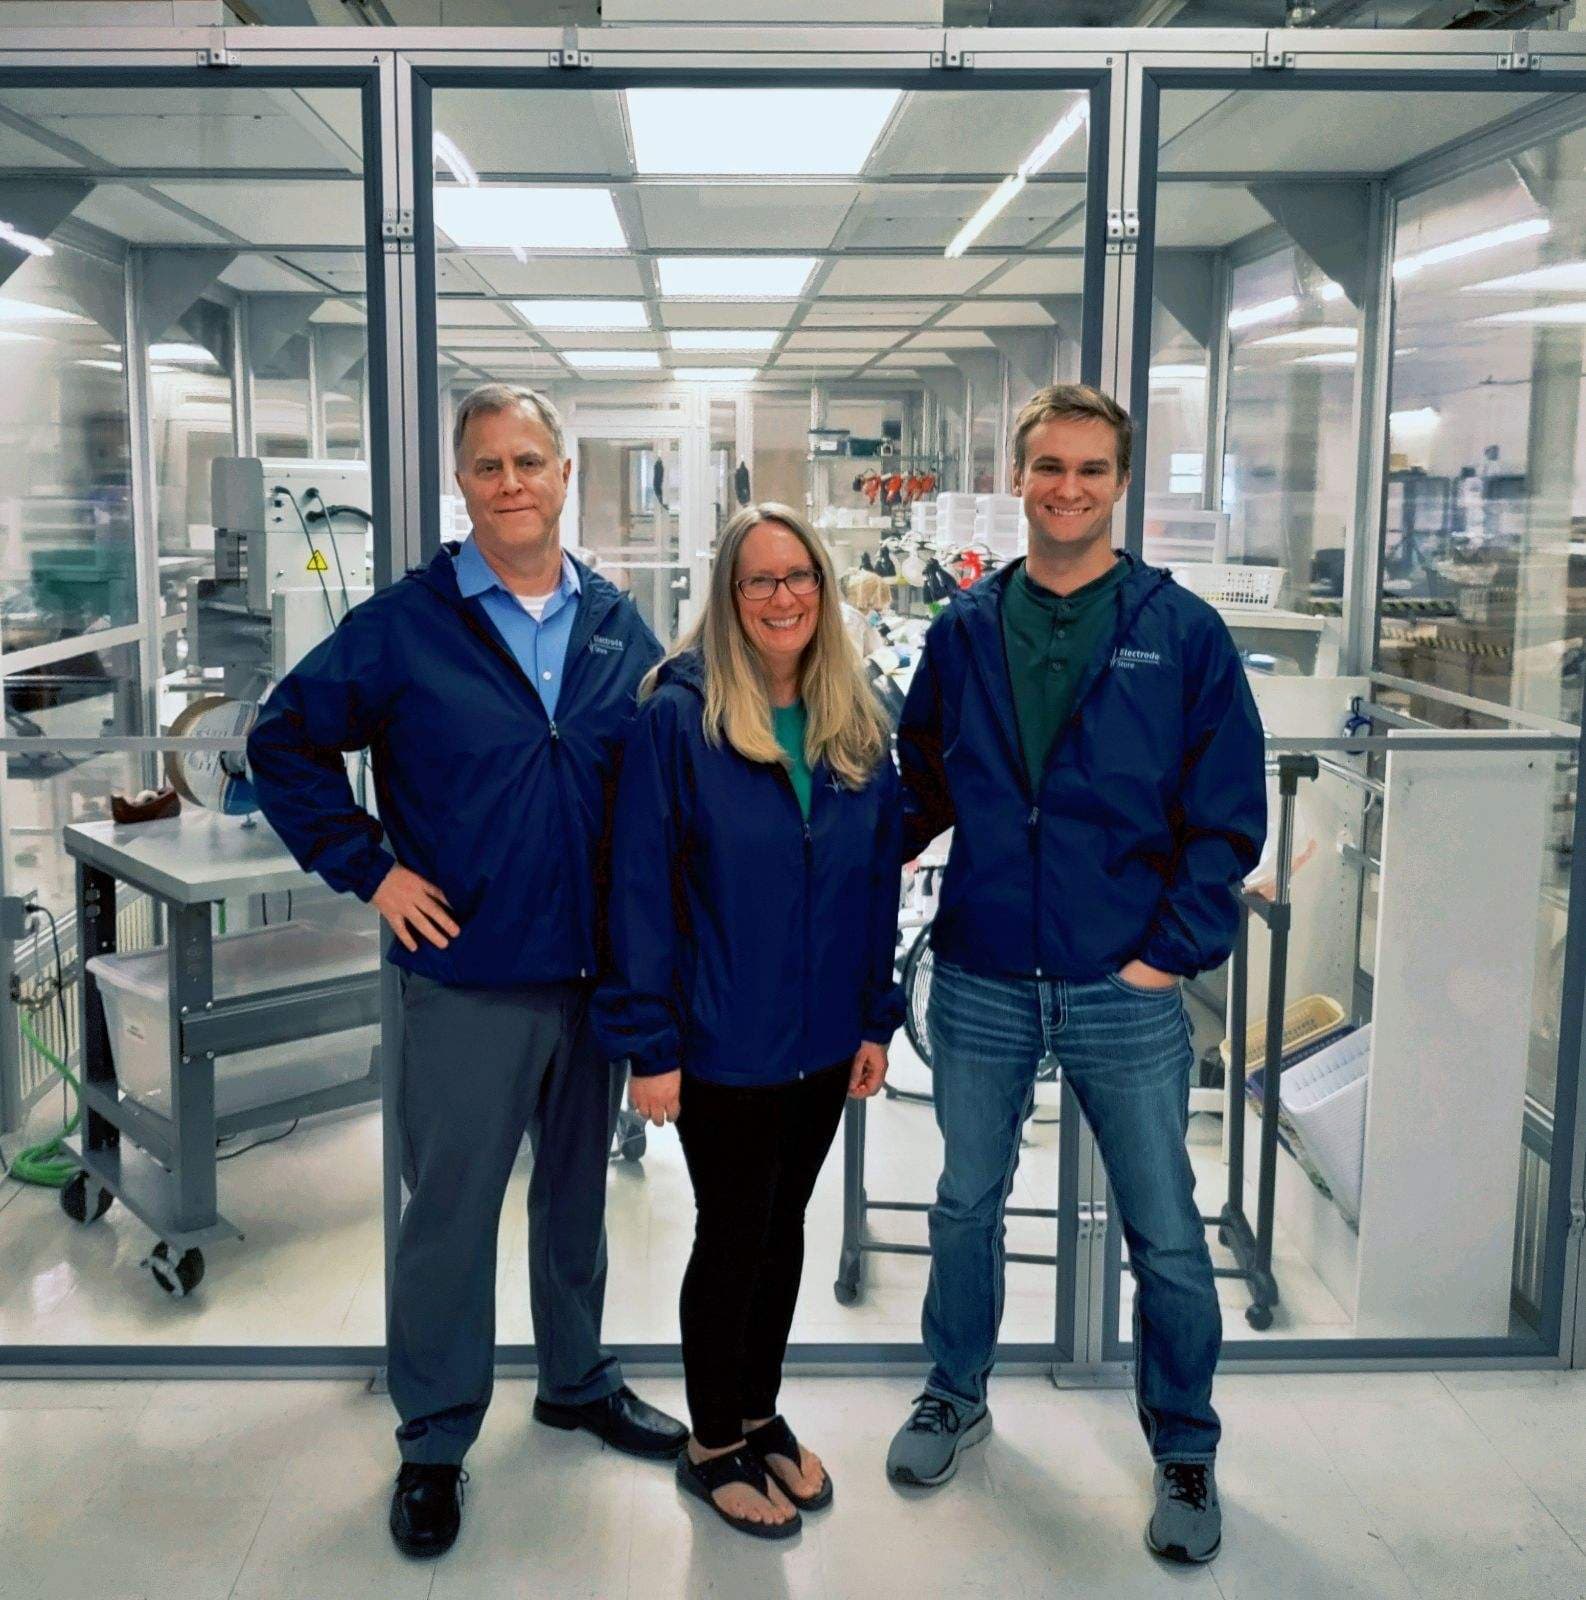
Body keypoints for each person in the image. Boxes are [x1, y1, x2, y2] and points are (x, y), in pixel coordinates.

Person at [247, 383, 687, 1562]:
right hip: (464, 977)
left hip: (590, 978)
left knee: (574, 1202)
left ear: (562, 475)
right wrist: (369, 869)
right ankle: (435, 1438)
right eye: (488, 465)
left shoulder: (612, 621)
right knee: (446, 1215)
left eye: (529, 462)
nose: (511, 483)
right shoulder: (405, 625)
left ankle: (576, 1378)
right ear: (463, 484)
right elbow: (282, 740)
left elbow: (657, 769)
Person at [886, 384, 1266, 1566]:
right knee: (963, 1203)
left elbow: (1226, 816)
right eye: (1047, 467)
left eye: (1090, 470)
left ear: (1118, 480)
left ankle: (1185, 1444)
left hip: (1123, 980)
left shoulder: (1179, 630)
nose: (1066, 489)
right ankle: (954, 1391)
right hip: (988, 966)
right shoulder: (962, 629)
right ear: (1016, 478)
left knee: (1162, 1227)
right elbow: (917, 785)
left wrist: (1166, 954)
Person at [595, 503, 903, 1541]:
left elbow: (873, 887)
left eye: (799, 577)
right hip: (722, 1034)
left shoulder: (853, 718)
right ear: (727, 600)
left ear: (823, 588)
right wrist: (651, 1042)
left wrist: (875, 1015)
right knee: (731, 1232)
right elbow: (637, 889)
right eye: (759, 581)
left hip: (822, 1038)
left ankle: (759, 1410)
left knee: (784, 1230)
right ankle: (710, 1441)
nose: (783, 597)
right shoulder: (675, 719)